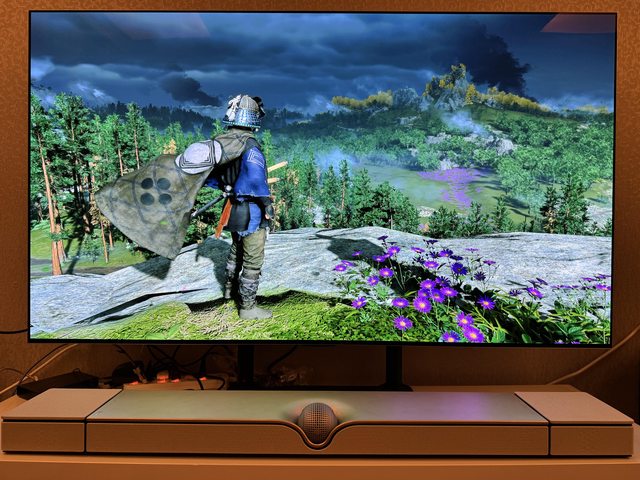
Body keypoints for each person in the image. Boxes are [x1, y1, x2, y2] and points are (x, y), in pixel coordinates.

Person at [204, 95, 274, 320]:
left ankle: (228, 291)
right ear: (253, 118)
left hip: (232, 208)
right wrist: (267, 204)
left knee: (236, 249)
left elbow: (214, 176)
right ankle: (247, 307)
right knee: (253, 258)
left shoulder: (222, 141)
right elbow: (255, 180)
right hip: (251, 209)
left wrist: (229, 185)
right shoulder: (250, 146)